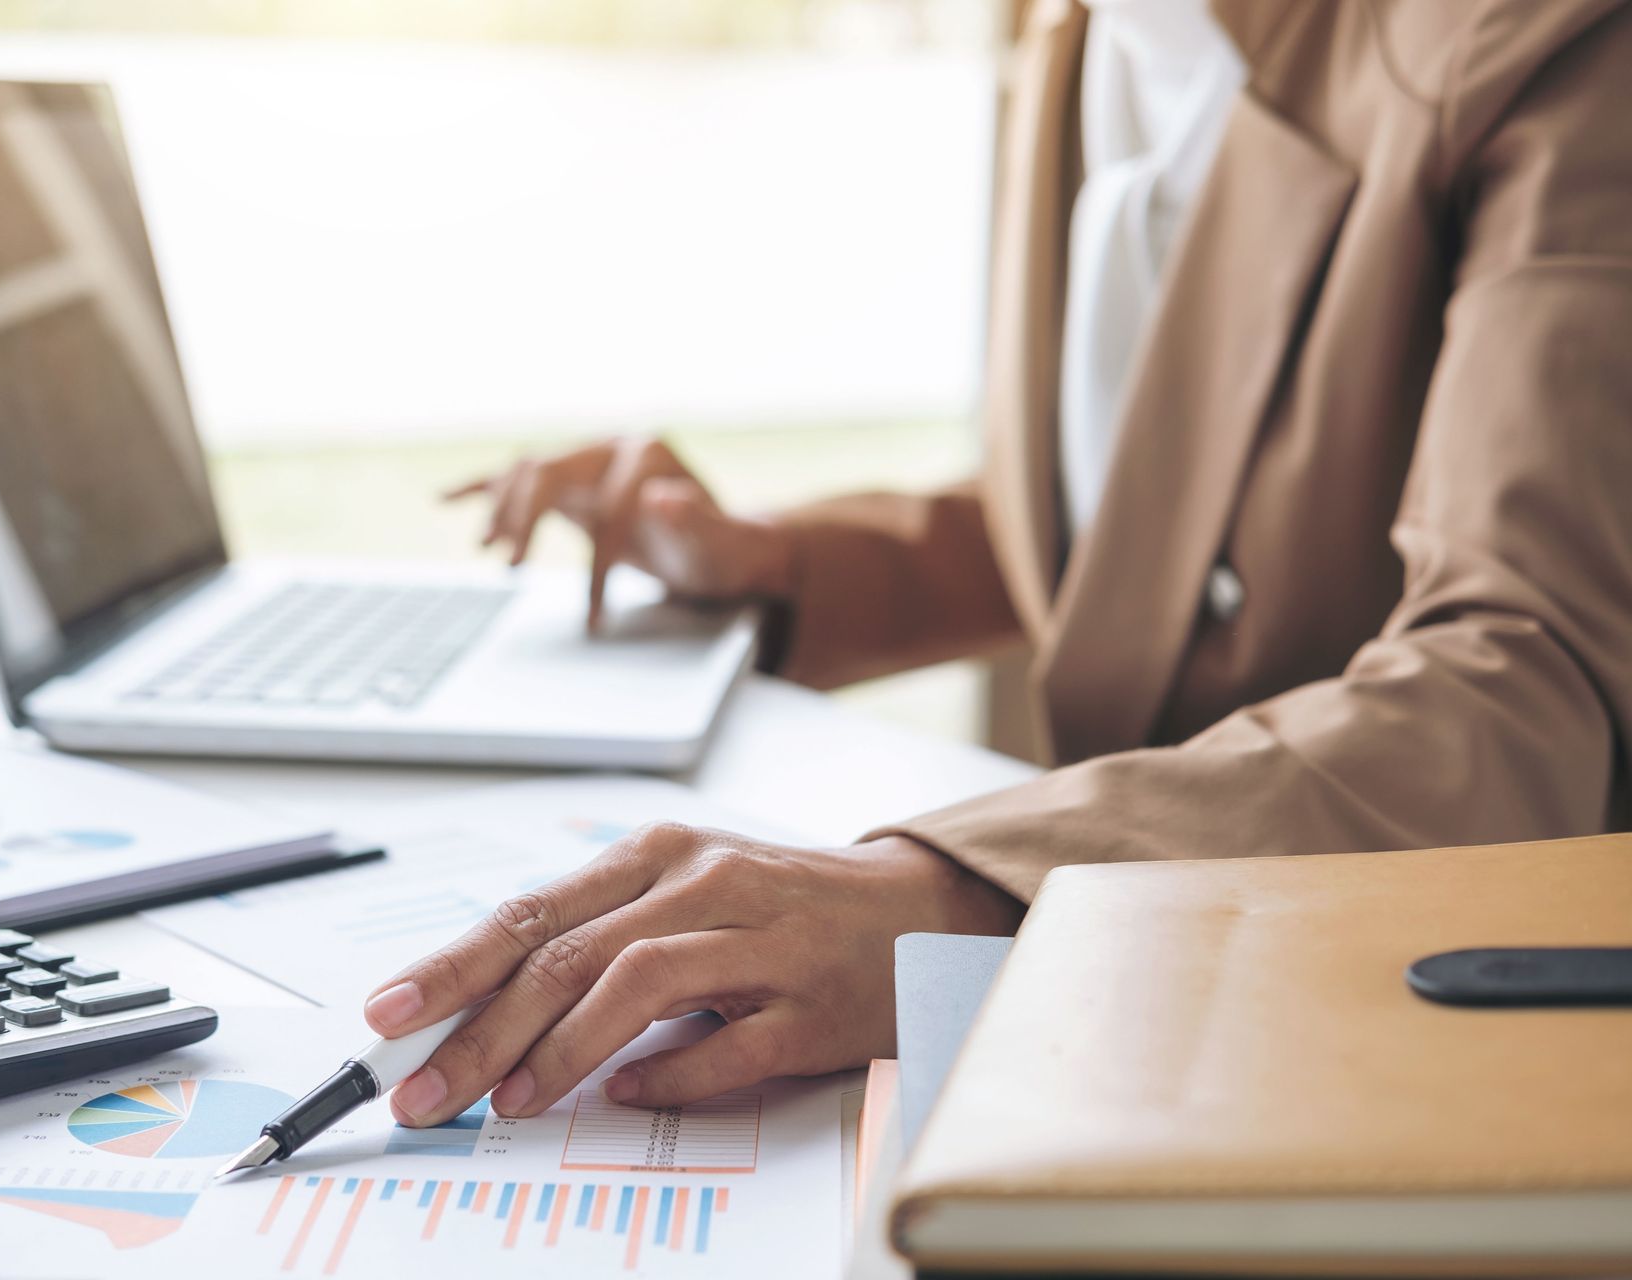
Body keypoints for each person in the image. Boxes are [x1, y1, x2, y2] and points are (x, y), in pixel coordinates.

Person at [366, 0, 1632, 1128]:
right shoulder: (1075, 33)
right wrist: (777, 565)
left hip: (1428, 1041)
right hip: (1153, 1037)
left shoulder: (1553, 46)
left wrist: (953, 890)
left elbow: (1531, 678)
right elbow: (1150, 512)